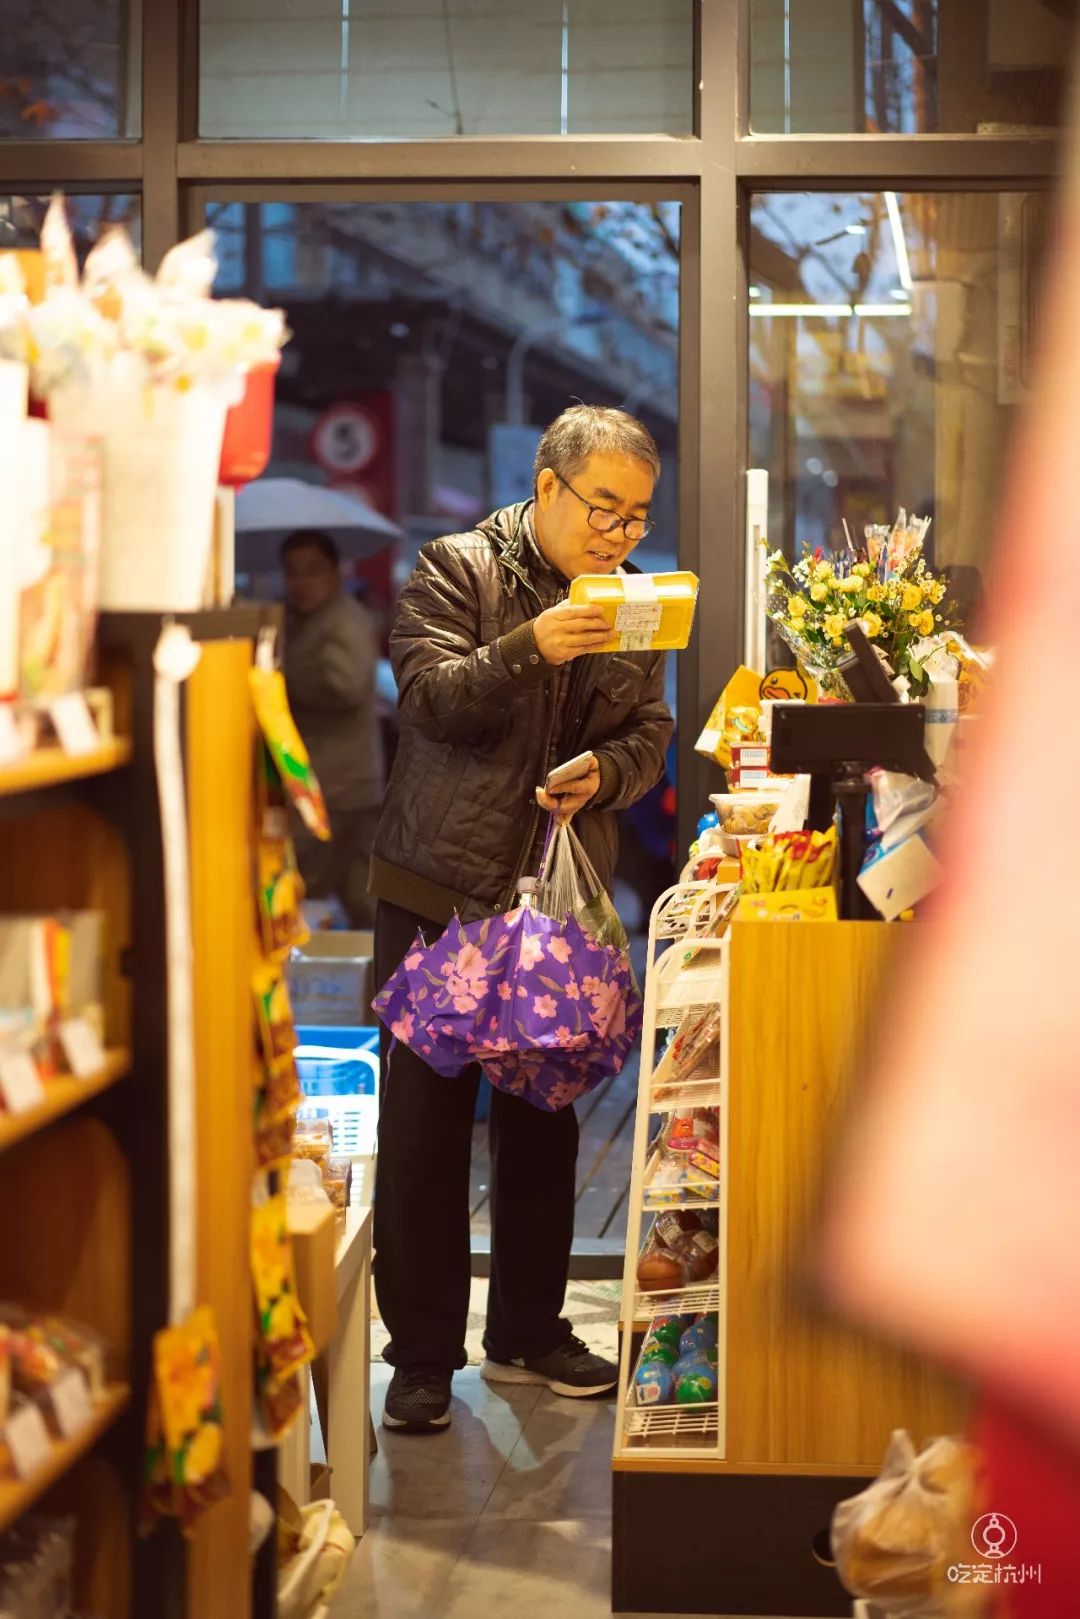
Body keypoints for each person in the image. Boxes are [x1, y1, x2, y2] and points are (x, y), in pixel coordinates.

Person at [370, 404, 674, 1431]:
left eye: (637, 517)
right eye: (605, 510)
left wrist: (610, 774)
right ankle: (418, 1355)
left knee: (546, 1115)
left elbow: (650, 729)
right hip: (439, 893)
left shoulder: (634, 598)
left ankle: (531, 1328)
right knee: (425, 1130)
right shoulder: (457, 568)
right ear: (547, 487)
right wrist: (530, 645)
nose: (620, 536)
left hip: (553, 897)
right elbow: (429, 700)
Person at [281, 528, 384, 928]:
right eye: (292, 573)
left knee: (305, 891)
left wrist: (283, 678)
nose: (301, 583)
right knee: (363, 905)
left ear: (335, 573)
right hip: (338, 786)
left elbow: (347, 686)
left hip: (335, 788)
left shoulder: (344, 621)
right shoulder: (305, 620)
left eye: (312, 571)